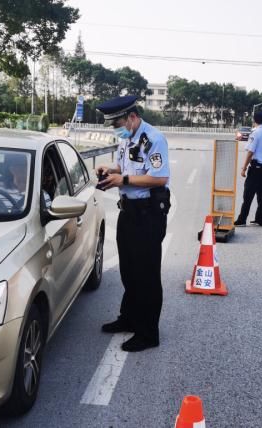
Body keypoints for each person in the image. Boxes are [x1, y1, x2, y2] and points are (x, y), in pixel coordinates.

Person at [95, 95, 171, 352]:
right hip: (128, 212)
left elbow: (159, 178)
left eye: (117, 123)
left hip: (148, 214)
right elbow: (124, 165)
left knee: (146, 275)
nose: (115, 128)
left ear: (132, 117)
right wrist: (111, 170)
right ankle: (129, 318)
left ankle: (148, 333)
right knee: (128, 270)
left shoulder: (154, 139)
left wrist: (123, 180)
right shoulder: (127, 138)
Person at [234, 110, 262, 227]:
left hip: (256, 168)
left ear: (254, 120)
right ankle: (259, 219)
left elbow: (251, 151)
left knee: (248, 194)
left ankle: (242, 219)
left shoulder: (256, 133)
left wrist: (244, 168)